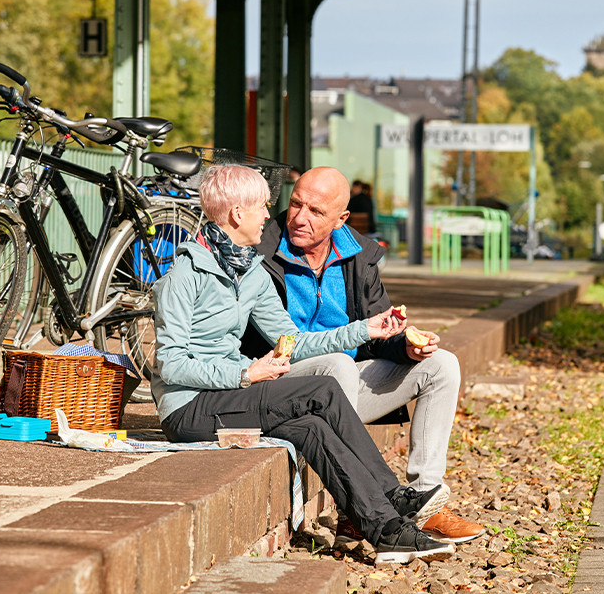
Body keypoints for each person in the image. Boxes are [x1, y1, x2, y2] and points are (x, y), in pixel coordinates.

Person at [151, 165, 455, 564]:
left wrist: (365, 329)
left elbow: (294, 343)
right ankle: (392, 494)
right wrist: (244, 373)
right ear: (238, 214)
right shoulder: (184, 275)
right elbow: (169, 365)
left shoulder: (250, 274)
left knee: (312, 428)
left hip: (230, 396)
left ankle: (385, 531)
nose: (270, 215)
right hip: (189, 408)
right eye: (264, 206)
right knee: (322, 390)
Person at [243, 166, 485, 545]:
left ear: (341, 219)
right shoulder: (260, 250)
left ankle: (427, 500)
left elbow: (375, 335)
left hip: (344, 392)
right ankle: (357, 509)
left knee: (442, 365)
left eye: (315, 211)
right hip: (281, 383)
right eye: (295, 204)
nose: (300, 218)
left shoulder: (359, 256)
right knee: (337, 362)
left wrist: (404, 345)